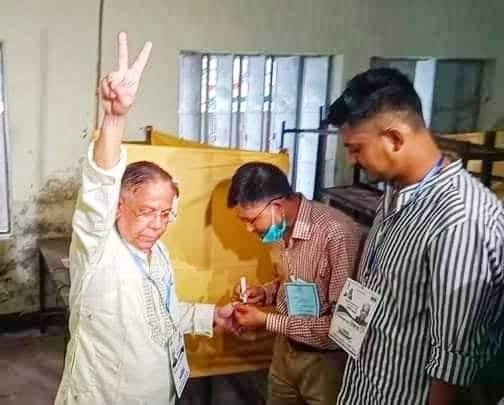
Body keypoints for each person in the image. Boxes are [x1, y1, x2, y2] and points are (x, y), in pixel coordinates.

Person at [55, 33, 237, 405]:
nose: (157, 224)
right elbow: (100, 184)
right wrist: (115, 118)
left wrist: (212, 316)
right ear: (118, 206)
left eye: (166, 214)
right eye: (146, 212)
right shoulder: (97, 251)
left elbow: (162, 314)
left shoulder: (157, 253)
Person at [328, 67, 504, 405]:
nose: (351, 160)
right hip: (366, 386)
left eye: (356, 148)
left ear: (394, 139)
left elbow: (452, 363)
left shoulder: (459, 219)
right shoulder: (397, 193)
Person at [228, 162, 363, 405]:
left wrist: (266, 320)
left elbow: (343, 329)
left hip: (325, 363)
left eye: (251, 220)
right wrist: (266, 293)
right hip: (285, 351)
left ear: (277, 207)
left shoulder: (337, 233)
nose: (248, 229)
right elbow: (291, 282)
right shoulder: (278, 228)